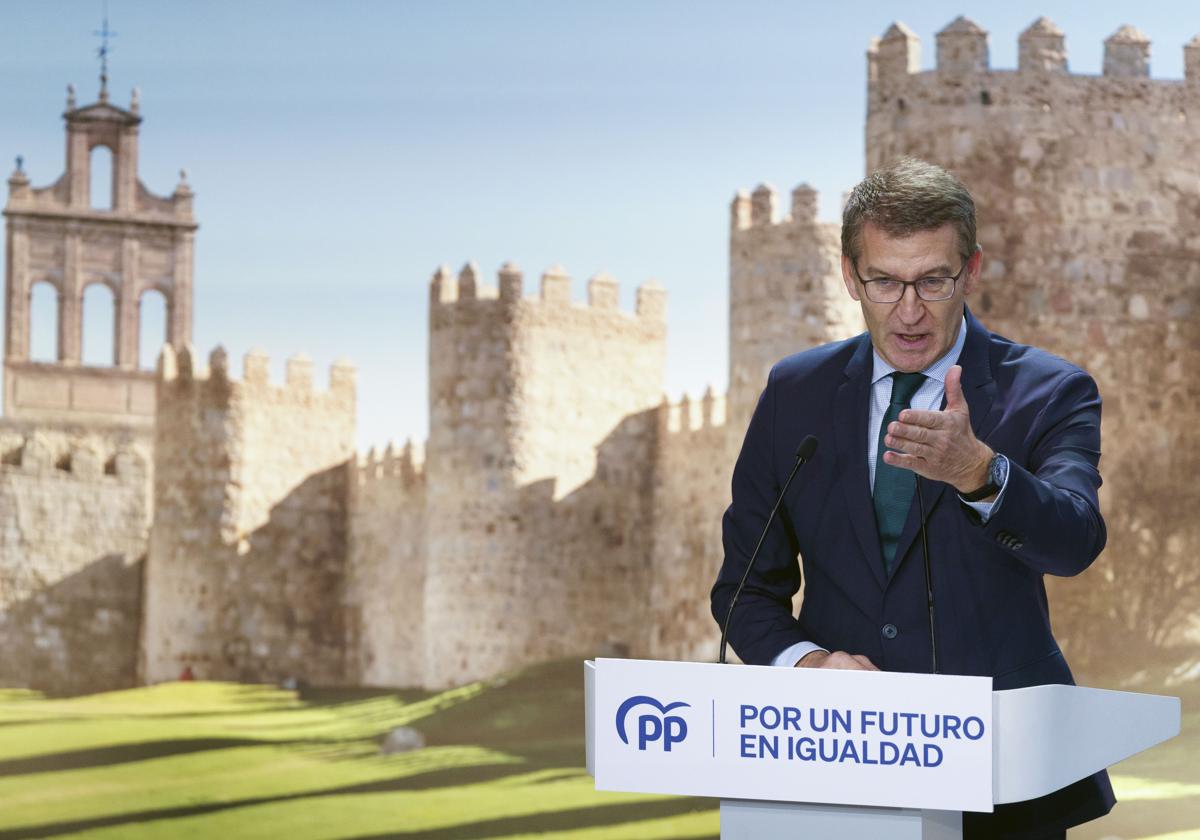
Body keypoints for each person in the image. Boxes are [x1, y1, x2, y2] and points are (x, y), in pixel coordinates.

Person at [711, 157, 1114, 838]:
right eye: (884, 281)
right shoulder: (794, 393)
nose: (908, 310)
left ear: (972, 271)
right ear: (849, 276)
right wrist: (808, 664)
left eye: (932, 280)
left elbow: (1075, 541)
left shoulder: (1050, 390)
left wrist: (982, 472)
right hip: (836, 767)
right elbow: (745, 591)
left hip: (1005, 779)